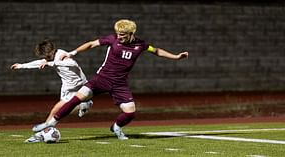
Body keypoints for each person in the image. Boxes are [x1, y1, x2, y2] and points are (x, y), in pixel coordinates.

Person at [33, 19, 189, 140]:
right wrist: (73, 52)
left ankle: (116, 127)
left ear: (131, 33)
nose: (119, 36)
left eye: (123, 34)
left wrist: (176, 57)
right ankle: (50, 123)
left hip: (120, 84)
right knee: (76, 99)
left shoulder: (141, 45)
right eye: (118, 33)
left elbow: (156, 50)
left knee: (130, 113)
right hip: (102, 78)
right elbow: (92, 44)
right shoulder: (112, 39)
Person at [11, 39, 93, 142]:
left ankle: (41, 134)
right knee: (61, 110)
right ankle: (84, 105)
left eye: (47, 56)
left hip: (80, 85)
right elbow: (39, 62)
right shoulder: (50, 58)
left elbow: (73, 64)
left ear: (53, 51)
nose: (46, 59)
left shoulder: (61, 54)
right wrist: (22, 66)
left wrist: (52, 63)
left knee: (57, 109)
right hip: (67, 88)